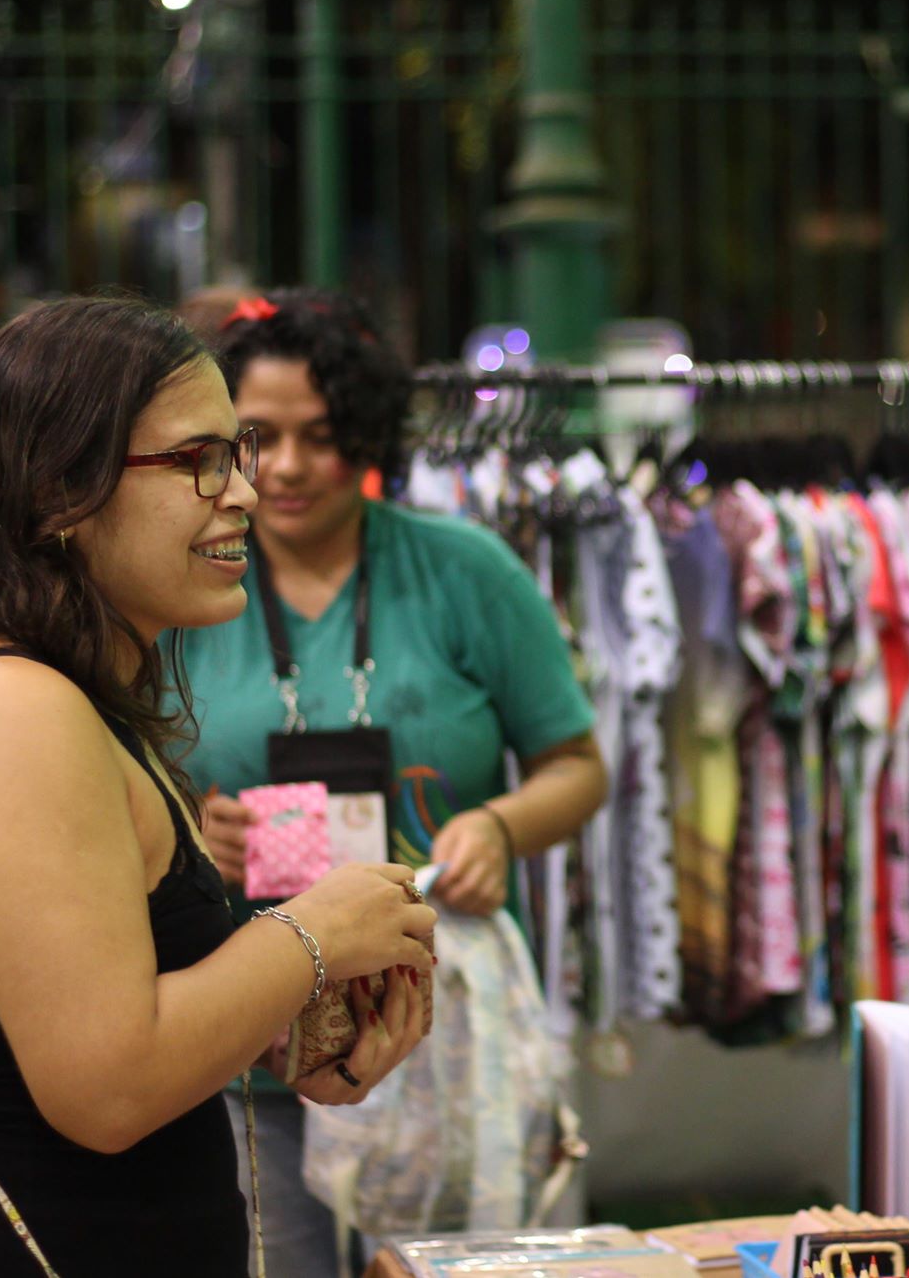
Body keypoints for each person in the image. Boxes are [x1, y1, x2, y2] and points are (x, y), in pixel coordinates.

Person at [0, 295, 437, 1275]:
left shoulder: (73, 702)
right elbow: (103, 1087)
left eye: (241, 450)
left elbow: (105, 1026)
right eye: (202, 460)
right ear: (62, 490)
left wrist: (290, 1036)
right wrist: (313, 936)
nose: (244, 491)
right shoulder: (11, 712)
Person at [179, 289, 606, 1271]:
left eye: (321, 437)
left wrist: (499, 828)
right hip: (254, 1049)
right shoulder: (187, 589)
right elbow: (120, 790)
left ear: (367, 435)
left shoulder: (466, 571)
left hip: (445, 1048)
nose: (285, 468)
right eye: (256, 438)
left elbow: (577, 766)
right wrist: (189, 830)